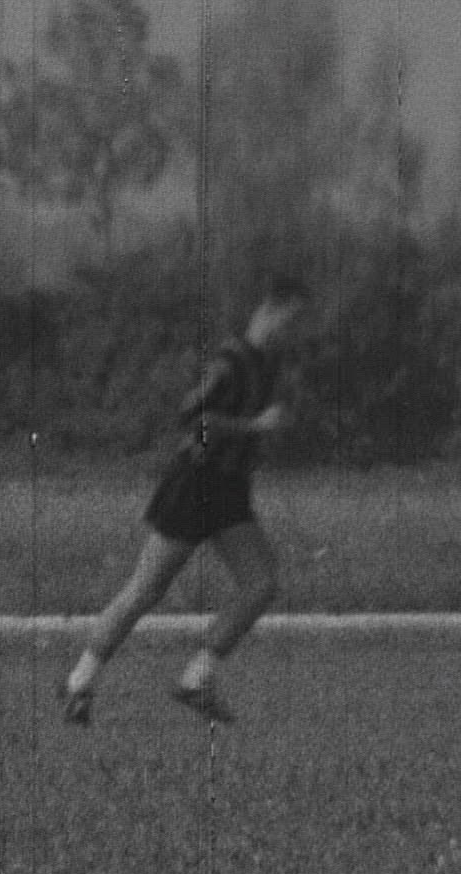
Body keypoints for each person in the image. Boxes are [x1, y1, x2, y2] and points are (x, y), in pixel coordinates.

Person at [61, 276, 312, 726]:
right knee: (145, 590)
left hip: (229, 489)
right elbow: (191, 418)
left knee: (261, 583)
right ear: (270, 311)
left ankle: (197, 679)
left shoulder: (269, 364)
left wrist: (268, 430)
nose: (295, 334)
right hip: (193, 486)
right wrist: (254, 427)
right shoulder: (230, 362)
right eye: (293, 322)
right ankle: (79, 682)